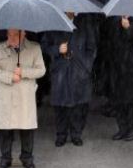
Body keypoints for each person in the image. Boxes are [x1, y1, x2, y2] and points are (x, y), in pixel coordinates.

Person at [0, 29, 46, 168]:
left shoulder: (34, 47)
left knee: (26, 128)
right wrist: (9, 76)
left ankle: (27, 157)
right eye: (9, 34)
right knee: (5, 129)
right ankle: (5, 158)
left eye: (15, 35)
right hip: (7, 94)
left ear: (24, 34)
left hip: (25, 94)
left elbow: (41, 70)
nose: (11, 38)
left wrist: (24, 72)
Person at [41, 13, 98, 147]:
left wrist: (85, 66)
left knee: (79, 105)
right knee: (60, 105)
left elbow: (92, 48)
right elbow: (44, 45)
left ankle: (76, 134)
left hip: (79, 71)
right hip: (60, 70)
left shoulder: (84, 25)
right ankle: (61, 134)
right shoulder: (54, 24)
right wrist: (57, 49)